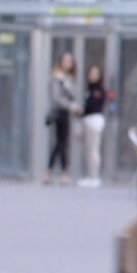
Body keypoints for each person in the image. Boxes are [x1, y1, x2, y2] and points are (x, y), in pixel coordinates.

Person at [46, 51, 80, 186]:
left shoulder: (69, 78)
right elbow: (56, 98)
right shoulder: (58, 78)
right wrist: (72, 106)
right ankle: (58, 172)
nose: (67, 63)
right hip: (60, 113)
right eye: (65, 60)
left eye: (70, 61)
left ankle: (58, 172)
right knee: (61, 143)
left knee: (62, 144)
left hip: (66, 114)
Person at [78, 65, 108, 188]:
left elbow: (95, 104)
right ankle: (91, 175)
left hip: (94, 120)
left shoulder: (99, 90)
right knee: (88, 149)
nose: (93, 76)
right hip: (87, 119)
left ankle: (94, 177)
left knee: (93, 149)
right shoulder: (89, 89)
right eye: (91, 73)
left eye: (96, 73)